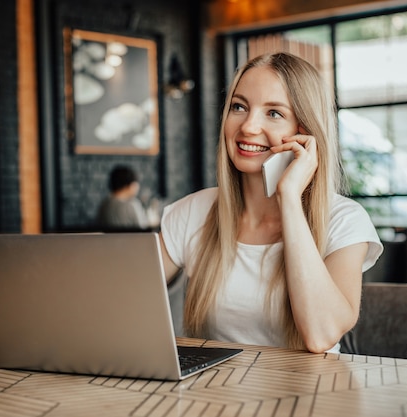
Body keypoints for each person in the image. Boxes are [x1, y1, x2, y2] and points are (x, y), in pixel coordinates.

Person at [158, 52, 383, 353]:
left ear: (304, 132)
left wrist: (289, 197)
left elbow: (320, 335)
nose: (248, 127)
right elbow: (119, 296)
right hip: (214, 395)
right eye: (239, 107)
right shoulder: (193, 212)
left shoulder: (344, 220)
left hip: (313, 395)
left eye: (274, 113)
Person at [96, 165, 149, 230]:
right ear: (131, 185)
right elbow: (144, 229)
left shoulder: (104, 204)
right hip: (131, 240)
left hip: (106, 240)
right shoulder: (133, 205)